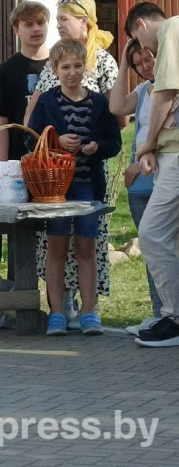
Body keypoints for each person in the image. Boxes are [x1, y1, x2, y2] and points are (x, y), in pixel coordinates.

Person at [24, 0, 119, 324]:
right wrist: (55, 140)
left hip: (88, 185)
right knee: (56, 248)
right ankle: (58, 311)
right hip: (54, 187)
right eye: (66, 67)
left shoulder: (98, 94)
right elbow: (31, 136)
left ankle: (90, 311)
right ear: (55, 69)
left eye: (78, 66)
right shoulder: (50, 99)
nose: (73, 72)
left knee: (86, 248)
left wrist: (96, 146)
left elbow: (114, 136)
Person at [125, 1, 179, 347]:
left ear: (141, 25)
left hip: (175, 154)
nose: (145, 52)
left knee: (153, 231)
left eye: (138, 41)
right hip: (170, 150)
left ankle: (174, 317)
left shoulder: (172, 29)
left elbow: (165, 93)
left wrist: (146, 145)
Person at [110, 39, 160, 335]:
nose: (145, 66)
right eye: (138, 63)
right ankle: (160, 314)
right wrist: (123, 66)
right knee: (153, 255)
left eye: (148, 59)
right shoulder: (143, 91)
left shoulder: (171, 90)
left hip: (164, 181)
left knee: (168, 253)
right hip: (139, 188)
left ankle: (171, 314)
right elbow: (117, 107)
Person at [0, 1, 50, 162]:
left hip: (58, 159)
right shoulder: (5, 72)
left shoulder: (63, 65)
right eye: (28, 24)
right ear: (16, 30)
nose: (36, 29)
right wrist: (4, 167)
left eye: (41, 23)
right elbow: (0, 123)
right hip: (19, 159)